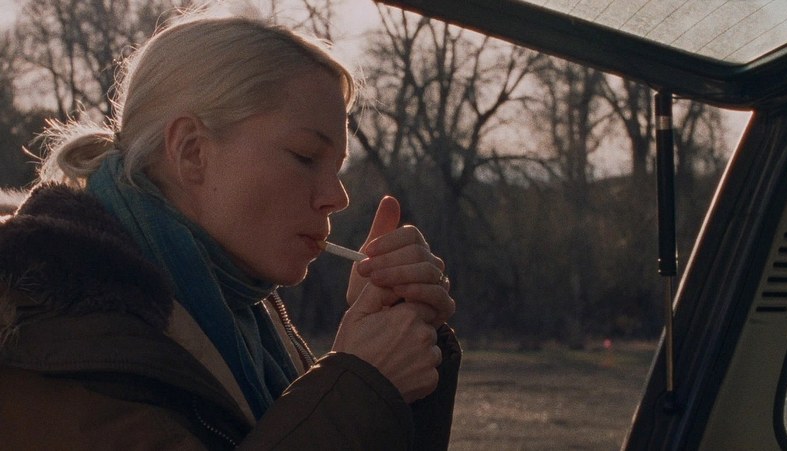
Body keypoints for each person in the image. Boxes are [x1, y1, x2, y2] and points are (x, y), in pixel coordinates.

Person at [0, 7, 460, 450]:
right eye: (305, 156)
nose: (337, 198)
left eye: (337, 167)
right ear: (192, 151)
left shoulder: (243, 316)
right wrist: (361, 387)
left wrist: (400, 350)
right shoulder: (52, 335)